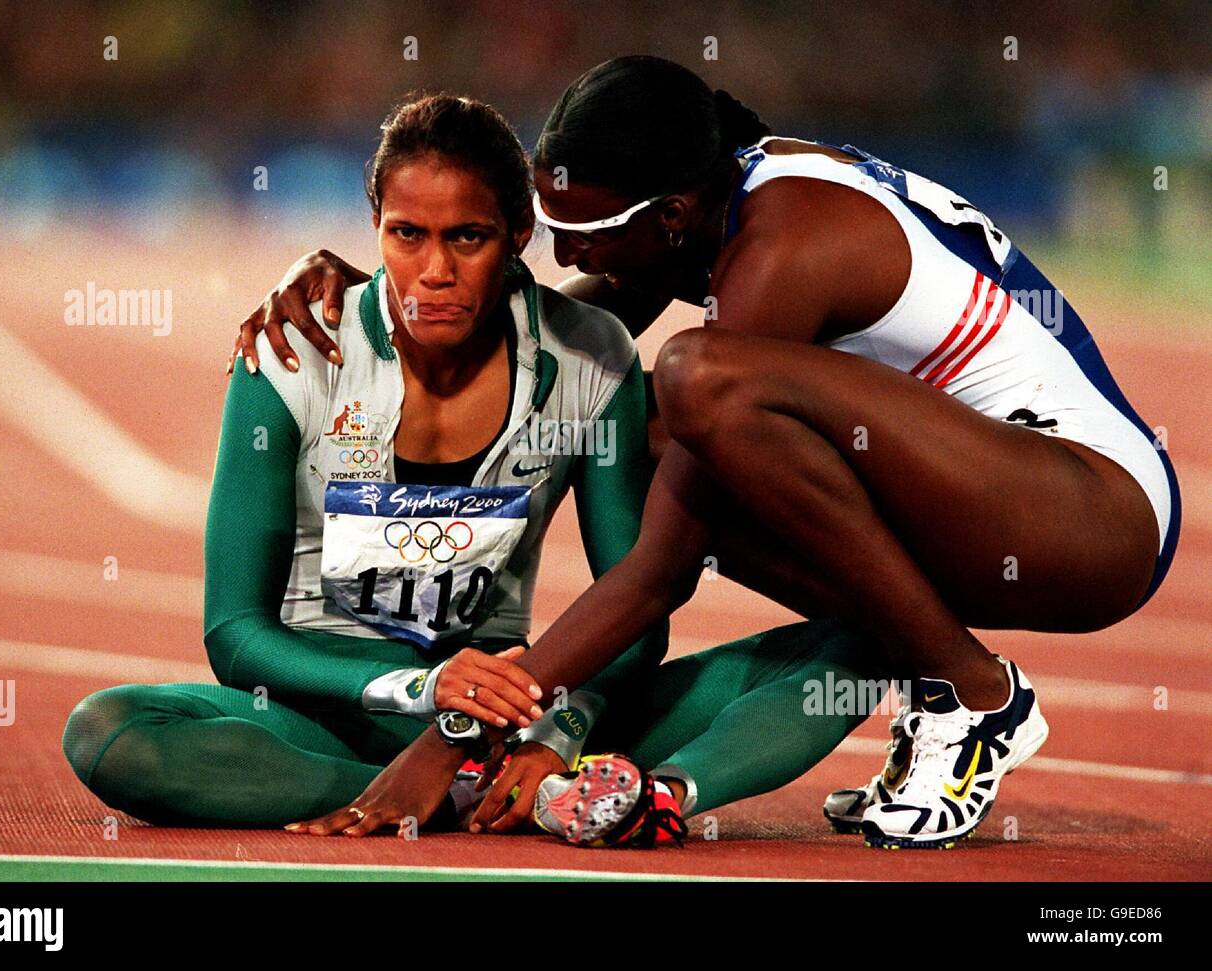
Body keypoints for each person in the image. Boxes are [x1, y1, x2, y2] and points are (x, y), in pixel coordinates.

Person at [238, 56, 1180, 849]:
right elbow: (545, 336)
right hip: (998, 496)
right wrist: (389, 303)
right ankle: (931, 672)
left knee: (689, 384)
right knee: (650, 420)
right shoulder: (706, 209)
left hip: (1091, 514)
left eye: (591, 236)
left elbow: (657, 571)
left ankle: (973, 697)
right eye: (551, 226)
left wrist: (455, 733)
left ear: (673, 215)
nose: (570, 254)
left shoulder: (783, 242)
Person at [62, 92, 886, 841]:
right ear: (374, 223)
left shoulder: (590, 358)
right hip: (334, 718)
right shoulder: (292, 355)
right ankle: (488, 797)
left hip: (529, 708)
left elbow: (634, 605)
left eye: (469, 236)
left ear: (519, 235)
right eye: (406, 235)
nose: (435, 272)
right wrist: (422, 694)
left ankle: (654, 790)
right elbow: (235, 634)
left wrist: (556, 723)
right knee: (109, 732)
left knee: (855, 646)